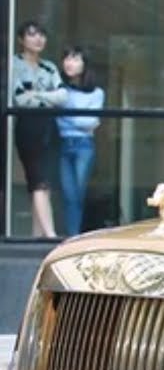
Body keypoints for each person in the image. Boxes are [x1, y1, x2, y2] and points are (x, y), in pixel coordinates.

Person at [11, 20, 66, 237]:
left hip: (49, 127)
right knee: (38, 180)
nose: (38, 39)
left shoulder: (49, 67)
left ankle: (37, 235)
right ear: (21, 39)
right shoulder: (14, 65)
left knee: (46, 182)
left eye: (41, 35)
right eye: (32, 34)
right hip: (28, 126)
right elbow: (20, 99)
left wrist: (37, 95)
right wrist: (47, 98)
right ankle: (50, 235)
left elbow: (62, 96)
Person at [57, 46, 104, 236]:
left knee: (79, 193)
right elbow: (58, 119)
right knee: (69, 195)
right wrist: (79, 119)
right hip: (63, 144)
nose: (70, 63)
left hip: (84, 145)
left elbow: (90, 122)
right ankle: (72, 235)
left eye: (75, 59)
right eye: (67, 58)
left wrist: (67, 115)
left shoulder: (96, 92)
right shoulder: (60, 90)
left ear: (85, 65)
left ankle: (76, 236)